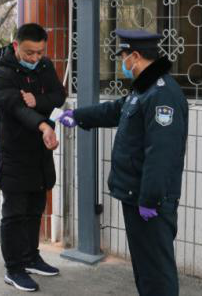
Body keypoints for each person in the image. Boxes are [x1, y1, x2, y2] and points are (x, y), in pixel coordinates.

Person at [58, 29, 189, 296]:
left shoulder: (162, 94)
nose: (122, 63)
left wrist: (150, 199)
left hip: (149, 202)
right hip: (135, 195)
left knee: (157, 273)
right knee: (145, 269)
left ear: (136, 56)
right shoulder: (144, 88)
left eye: (123, 57)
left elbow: (161, 153)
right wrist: (78, 116)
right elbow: (115, 110)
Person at [0, 23, 66, 292]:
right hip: (14, 153)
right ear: (16, 46)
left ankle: (31, 257)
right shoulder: (2, 73)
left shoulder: (44, 67)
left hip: (39, 152)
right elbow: (16, 108)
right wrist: (44, 125)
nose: (35, 58)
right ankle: (14, 269)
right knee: (14, 214)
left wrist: (37, 100)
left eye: (40, 52)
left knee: (36, 207)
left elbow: (59, 96)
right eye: (29, 53)